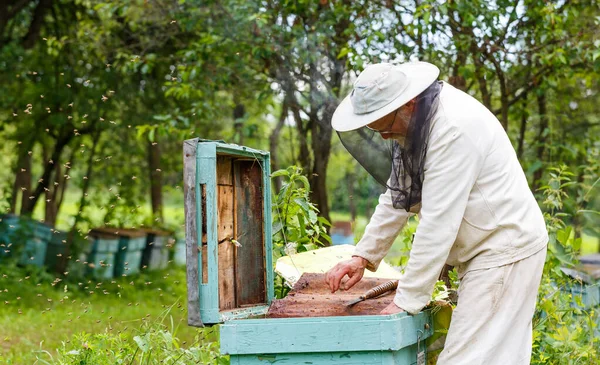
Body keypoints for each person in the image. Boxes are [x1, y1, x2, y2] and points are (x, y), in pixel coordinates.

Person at [324, 62, 548, 364]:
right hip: (490, 249)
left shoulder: (453, 129)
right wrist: (362, 256)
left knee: (465, 359)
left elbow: (438, 223)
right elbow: (396, 197)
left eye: (385, 125)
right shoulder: (418, 124)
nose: (384, 136)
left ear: (408, 103)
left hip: (503, 250)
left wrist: (406, 301)